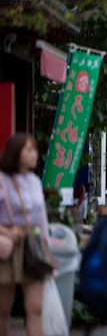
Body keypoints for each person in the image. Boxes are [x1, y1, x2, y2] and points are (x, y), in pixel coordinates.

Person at [0, 134, 52, 336]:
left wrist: (48, 250)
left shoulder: (34, 181)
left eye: (34, 149)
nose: (34, 154)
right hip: (7, 246)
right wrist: (5, 230)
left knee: (36, 308)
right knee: (3, 310)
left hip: (32, 244)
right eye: (28, 149)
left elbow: (42, 218)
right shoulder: (2, 180)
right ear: (15, 152)